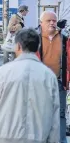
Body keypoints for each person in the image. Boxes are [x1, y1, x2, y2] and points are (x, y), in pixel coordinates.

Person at [0, 28, 60, 143]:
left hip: (4, 137)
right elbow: (55, 120)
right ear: (37, 47)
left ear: (18, 46)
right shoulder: (49, 77)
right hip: (38, 138)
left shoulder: (3, 73)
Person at [37, 11, 68, 143]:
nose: (52, 23)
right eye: (48, 20)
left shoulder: (64, 39)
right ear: (41, 23)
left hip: (59, 82)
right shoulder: (35, 39)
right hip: (40, 83)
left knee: (60, 114)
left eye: (54, 21)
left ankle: (61, 140)